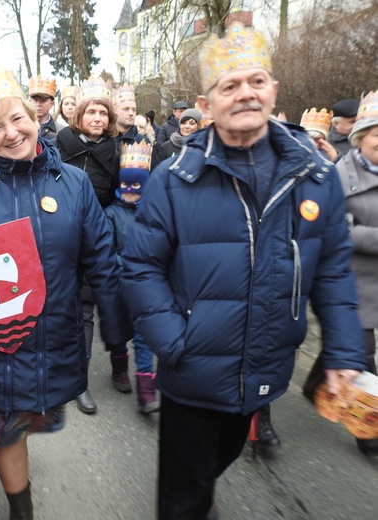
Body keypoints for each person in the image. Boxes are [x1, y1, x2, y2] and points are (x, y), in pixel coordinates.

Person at [122, 23, 367, 520]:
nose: (245, 93)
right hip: (193, 368)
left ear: (273, 90)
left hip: (265, 362)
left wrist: (344, 352)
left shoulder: (316, 177)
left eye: (256, 81)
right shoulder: (173, 180)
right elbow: (140, 267)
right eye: (228, 85)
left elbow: (334, 274)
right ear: (207, 104)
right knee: (182, 498)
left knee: (220, 459)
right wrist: (174, 340)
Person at [0, 66, 131, 519]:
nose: (10, 133)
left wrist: (118, 336)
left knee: (32, 422)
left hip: (52, 336)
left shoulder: (75, 184)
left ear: (35, 117)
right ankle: (21, 509)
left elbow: (101, 260)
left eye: (17, 119)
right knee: (5, 431)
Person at [304, 90, 378, 457]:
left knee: (350, 350)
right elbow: (337, 230)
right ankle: (369, 433)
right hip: (356, 281)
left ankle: (326, 369)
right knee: (364, 353)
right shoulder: (339, 176)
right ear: (360, 137)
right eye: (377, 134)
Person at [56, 76, 129, 413]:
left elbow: (123, 194)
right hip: (60, 236)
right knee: (59, 307)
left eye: (103, 112)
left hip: (96, 238)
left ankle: (83, 381)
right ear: (79, 116)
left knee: (88, 311)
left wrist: (108, 221)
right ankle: (59, 373)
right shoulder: (60, 145)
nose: (97, 118)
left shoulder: (117, 152)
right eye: (91, 112)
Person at [105, 140, 159, 414]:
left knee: (143, 334)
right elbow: (105, 248)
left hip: (145, 286)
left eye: (135, 186)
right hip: (118, 282)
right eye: (125, 185)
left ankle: (146, 389)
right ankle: (119, 366)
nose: (128, 191)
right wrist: (123, 264)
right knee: (118, 330)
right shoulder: (112, 214)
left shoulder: (153, 214)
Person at [29, 76, 58, 143]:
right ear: (30, 101)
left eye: (43, 100)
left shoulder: (60, 130)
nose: (38, 104)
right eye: (35, 100)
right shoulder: (22, 127)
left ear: (52, 104)